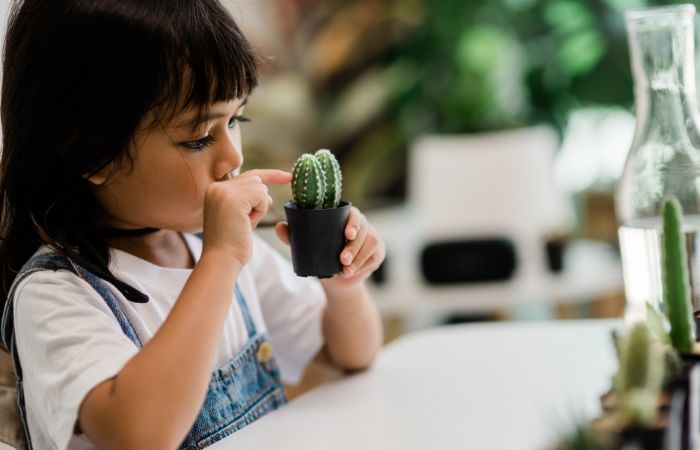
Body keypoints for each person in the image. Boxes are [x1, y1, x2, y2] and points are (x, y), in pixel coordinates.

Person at [0, 1, 385, 449]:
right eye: (199, 137)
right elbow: (138, 435)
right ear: (90, 153)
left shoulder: (226, 250)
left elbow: (349, 354)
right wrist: (220, 261)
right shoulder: (55, 295)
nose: (234, 157)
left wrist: (342, 286)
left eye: (235, 119)